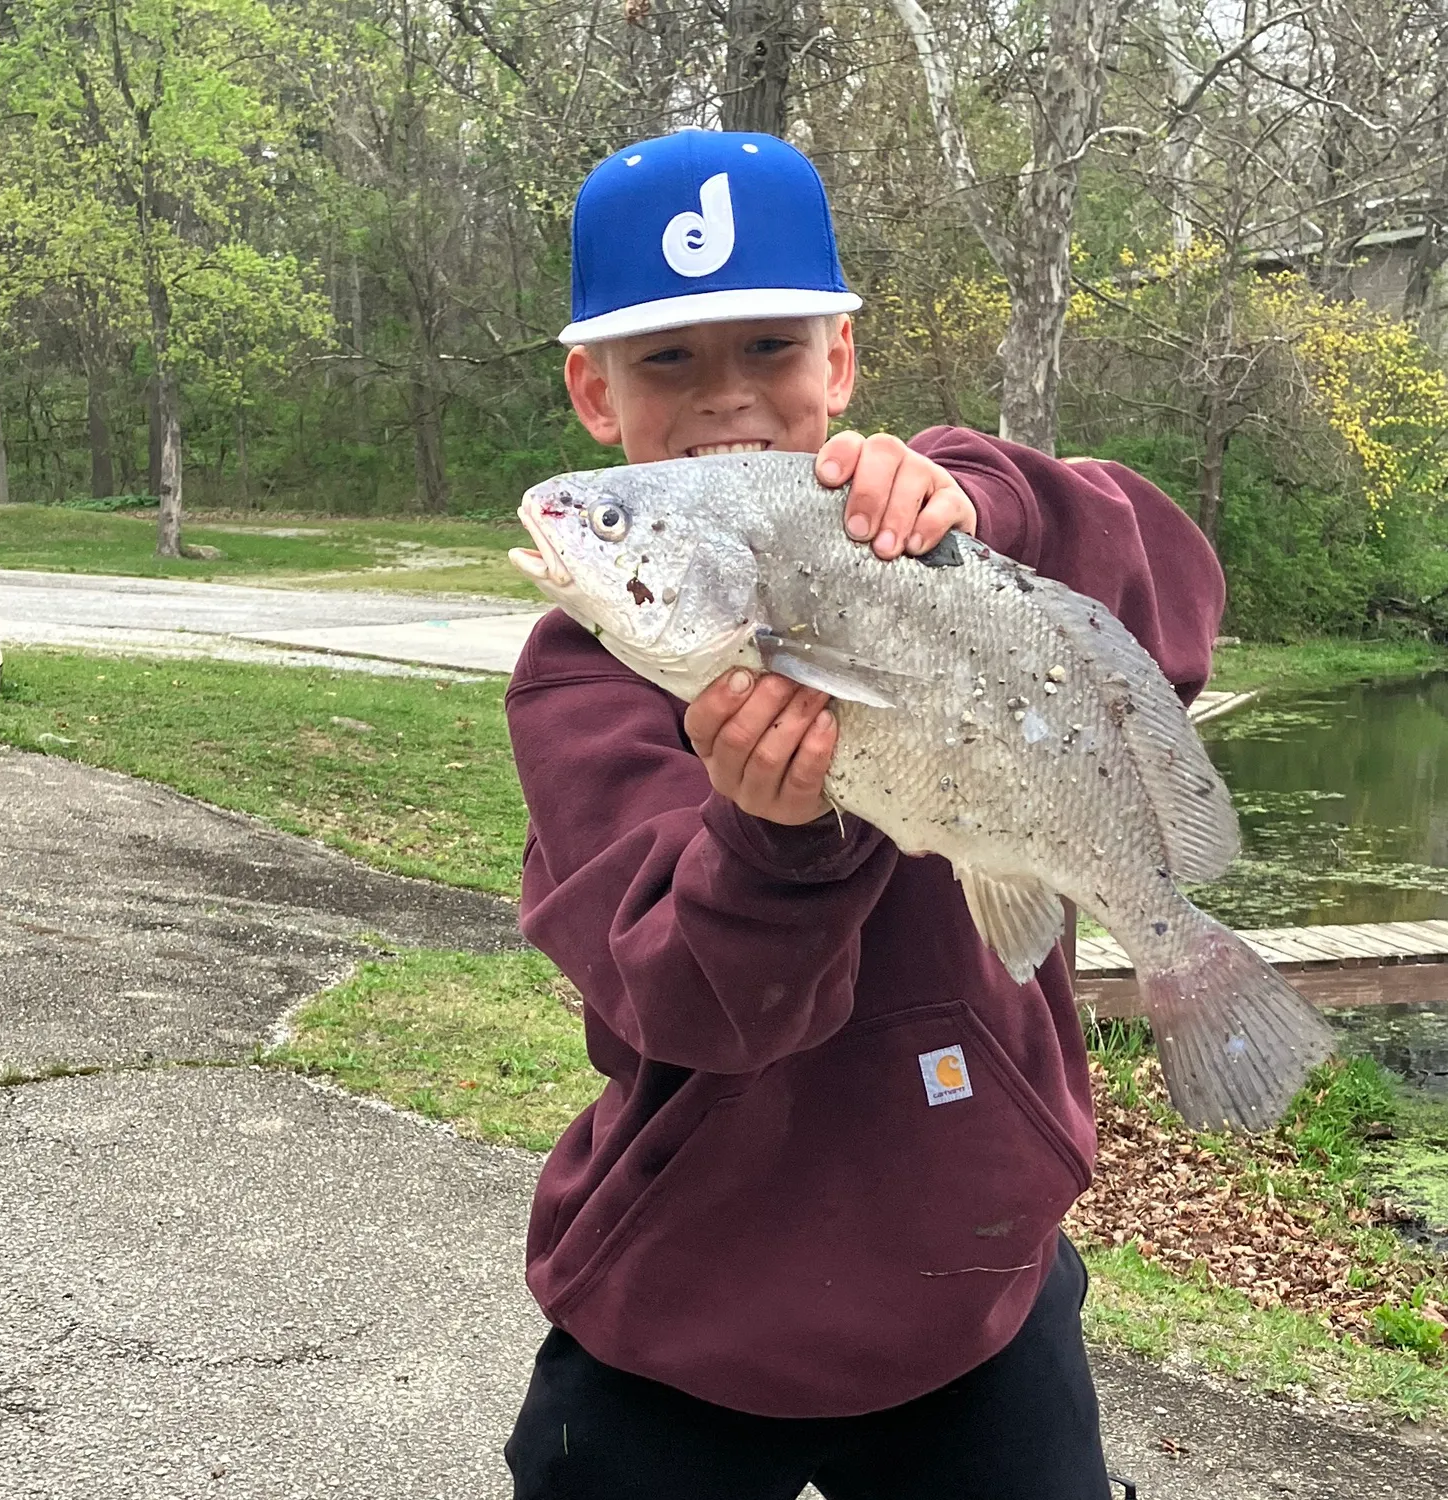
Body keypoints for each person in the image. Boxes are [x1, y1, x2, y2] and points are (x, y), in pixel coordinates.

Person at [503, 127, 1224, 1499]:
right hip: (690, 1299)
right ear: (594, 392)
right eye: (668, 361)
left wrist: (990, 504)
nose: (727, 401)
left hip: (981, 1270)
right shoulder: (583, 685)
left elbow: (1176, 596)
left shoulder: (941, 529)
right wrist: (776, 837)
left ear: (837, 360)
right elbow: (698, 1010)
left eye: (769, 349)